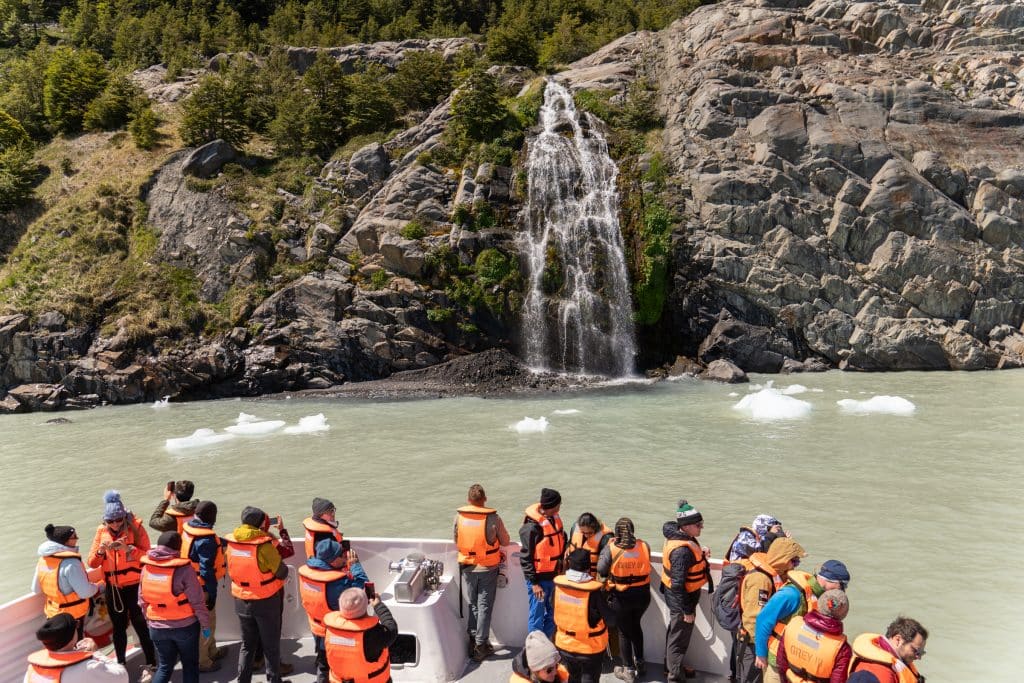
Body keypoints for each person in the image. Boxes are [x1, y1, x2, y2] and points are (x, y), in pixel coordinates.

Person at [86, 490, 157, 676]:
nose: (115, 524)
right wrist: (101, 551)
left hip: (134, 586)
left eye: (119, 519)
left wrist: (129, 549)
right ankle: (120, 665)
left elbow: (148, 556)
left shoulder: (136, 528)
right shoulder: (101, 532)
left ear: (124, 516)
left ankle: (151, 663)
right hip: (113, 588)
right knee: (118, 629)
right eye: (111, 521)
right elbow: (92, 563)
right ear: (105, 520)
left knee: (141, 625)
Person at [755, 560, 851, 683]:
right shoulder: (792, 594)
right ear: (828, 580)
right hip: (777, 663)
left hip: (798, 666)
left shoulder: (823, 599)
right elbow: (763, 619)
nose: (843, 591)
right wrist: (761, 654)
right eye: (842, 586)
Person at [226, 506, 292, 683]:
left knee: (247, 645)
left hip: (241, 600)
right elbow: (282, 572)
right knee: (271, 647)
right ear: (262, 524)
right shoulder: (264, 545)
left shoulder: (232, 543)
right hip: (265, 601)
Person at [139, 531, 211, 683]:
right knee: (190, 665)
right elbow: (197, 601)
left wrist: (150, 621)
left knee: (164, 667)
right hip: (185, 627)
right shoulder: (184, 569)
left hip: (156, 628)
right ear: (178, 548)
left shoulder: (147, 568)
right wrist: (205, 626)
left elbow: (142, 600)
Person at [299, 538, 369, 683]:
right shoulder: (336, 581)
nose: (345, 557)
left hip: (316, 625)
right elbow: (361, 586)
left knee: (322, 657)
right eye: (341, 556)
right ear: (332, 561)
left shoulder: (308, 572)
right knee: (331, 664)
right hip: (332, 630)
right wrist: (355, 565)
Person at [736, 538, 806, 683]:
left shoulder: (774, 574)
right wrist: (760, 651)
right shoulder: (761, 580)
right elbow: (754, 617)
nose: (795, 566)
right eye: (794, 561)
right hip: (752, 643)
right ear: (783, 560)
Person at [455, 483, 511, 662]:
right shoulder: (493, 518)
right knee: (484, 605)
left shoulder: (459, 517)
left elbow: (456, 539)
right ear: (484, 499)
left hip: (467, 567)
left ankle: (473, 638)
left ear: (468, 500)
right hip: (488, 567)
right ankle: (480, 645)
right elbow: (506, 541)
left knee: (472, 603)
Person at [661, 499, 712, 682]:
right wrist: (687, 610)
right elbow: (678, 584)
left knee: (676, 633)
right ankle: (674, 676)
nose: (701, 527)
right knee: (679, 637)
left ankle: (671, 667)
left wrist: (701, 552)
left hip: (681, 598)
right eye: (698, 525)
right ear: (686, 526)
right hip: (681, 600)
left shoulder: (684, 538)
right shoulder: (681, 551)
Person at [596, 517, 651, 683]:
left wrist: (609, 546)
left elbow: (601, 568)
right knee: (636, 627)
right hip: (642, 597)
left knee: (624, 632)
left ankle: (629, 670)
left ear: (618, 532)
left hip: (621, 598)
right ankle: (640, 663)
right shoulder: (644, 545)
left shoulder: (611, 548)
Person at [553, 548, 616, 683]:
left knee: (573, 678)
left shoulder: (558, 587)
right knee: (589, 678)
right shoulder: (594, 592)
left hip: (564, 645)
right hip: (589, 648)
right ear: (588, 568)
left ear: (570, 565)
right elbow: (611, 621)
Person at [32, 524, 103, 638]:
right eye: (74, 537)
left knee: (60, 647)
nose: (77, 539)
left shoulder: (42, 560)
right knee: (75, 647)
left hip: (52, 613)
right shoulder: (71, 563)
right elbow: (85, 592)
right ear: (65, 541)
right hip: (72, 617)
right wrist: (98, 587)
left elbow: (35, 589)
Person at [181, 500, 227, 672]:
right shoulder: (206, 539)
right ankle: (203, 661)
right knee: (206, 625)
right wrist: (212, 594)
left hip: (189, 585)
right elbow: (206, 570)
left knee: (208, 623)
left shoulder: (188, 529)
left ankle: (212, 650)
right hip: (202, 589)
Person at [24, 612, 128, 683]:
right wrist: (95, 653)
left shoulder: (32, 669)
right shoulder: (87, 668)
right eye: (76, 625)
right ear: (72, 636)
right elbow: (122, 677)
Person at [323, 587, 399, 683]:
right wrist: (378, 605)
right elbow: (391, 629)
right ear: (365, 608)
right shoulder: (372, 634)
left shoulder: (329, 629)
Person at [520, 488, 567, 639]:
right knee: (537, 616)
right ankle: (535, 652)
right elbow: (525, 557)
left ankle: (544, 644)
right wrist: (534, 583)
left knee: (554, 614)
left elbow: (560, 539)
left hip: (553, 577)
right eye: (558, 504)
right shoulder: (532, 527)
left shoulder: (554, 519)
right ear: (553, 505)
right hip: (538, 581)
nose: (560, 507)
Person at [776, 589, 851, 683]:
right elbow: (838, 681)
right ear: (844, 614)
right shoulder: (842, 649)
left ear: (819, 603)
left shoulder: (793, 624)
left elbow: (781, 663)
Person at [848, 616, 928, 683]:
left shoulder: (897, 664)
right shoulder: (877, 673)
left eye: (921, 653)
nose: (919, 657)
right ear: (898, 640)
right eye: (916, 651)